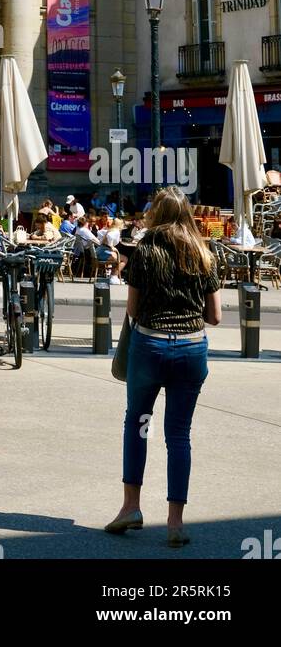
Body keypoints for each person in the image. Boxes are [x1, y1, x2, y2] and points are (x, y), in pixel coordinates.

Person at [105, 187, 221, 547]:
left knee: (138, 423)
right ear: (187, 214)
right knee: (179, 435)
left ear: (157, 213)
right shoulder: (204, 254)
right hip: (190, 350)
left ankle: (131, 507)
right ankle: (175, 522)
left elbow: (134, 311)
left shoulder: (144, 252)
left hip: (150, 347)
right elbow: (214, 316)